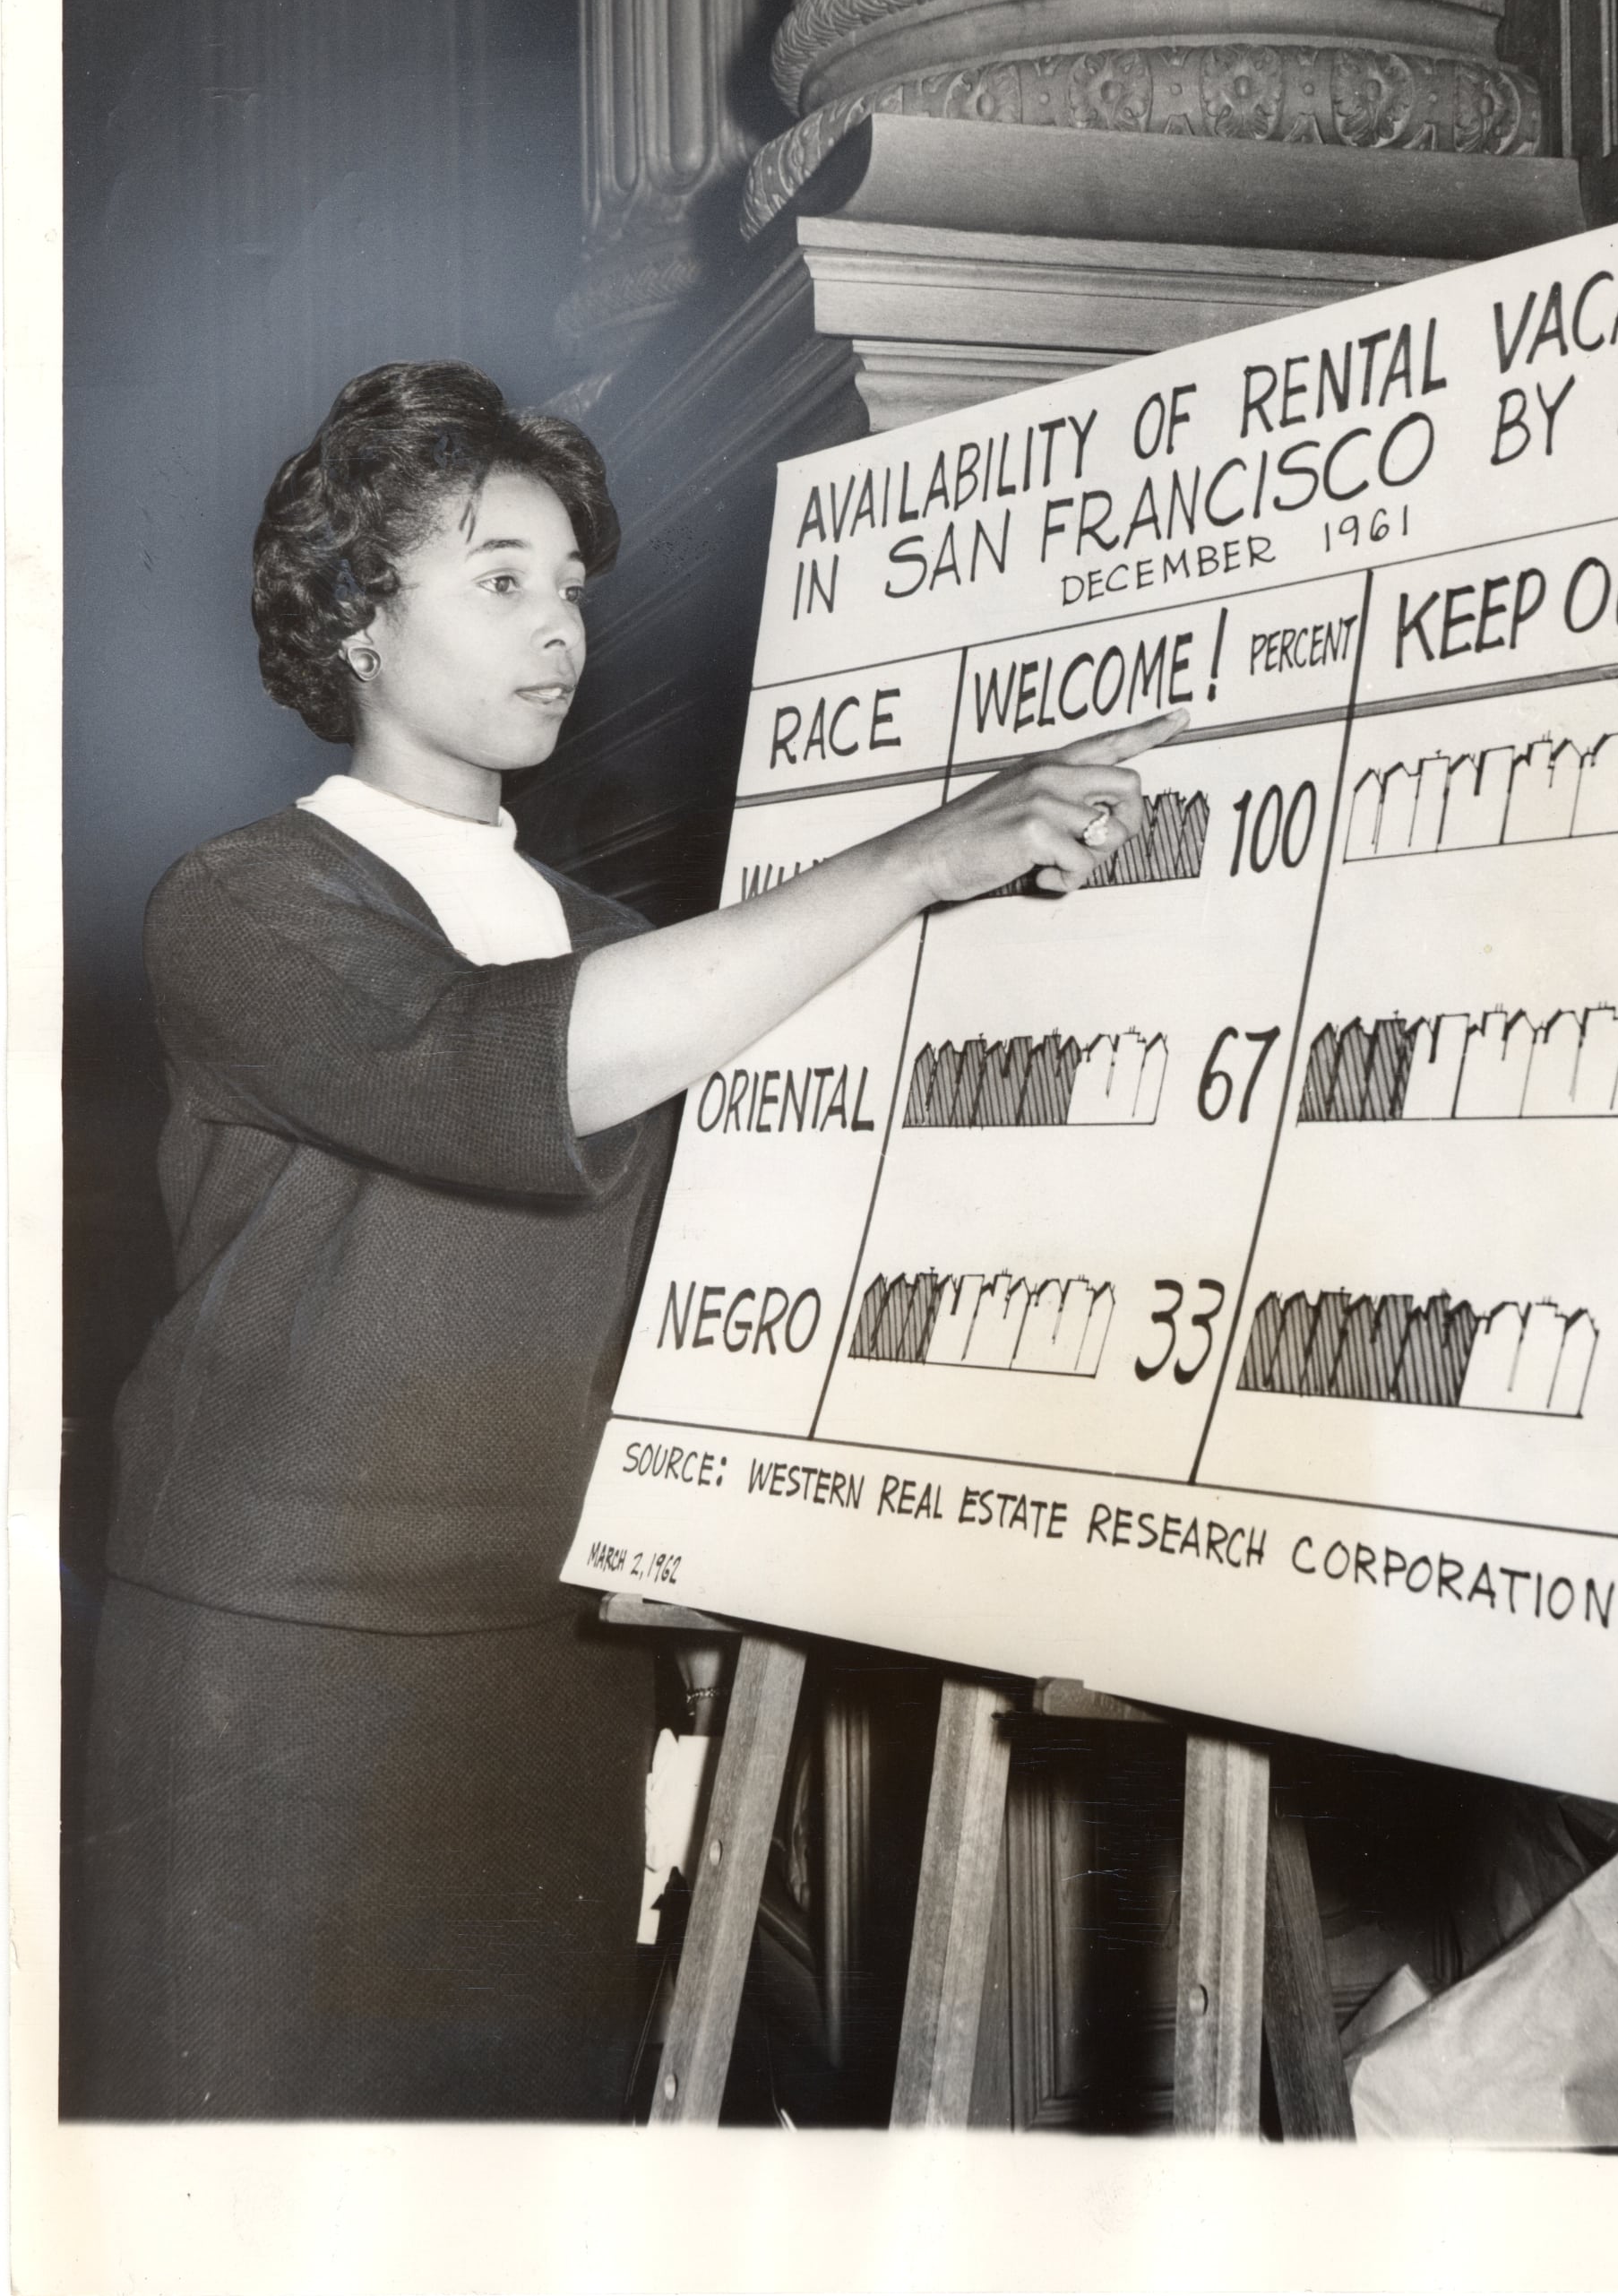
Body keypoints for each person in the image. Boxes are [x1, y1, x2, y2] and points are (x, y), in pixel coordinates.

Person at [77, 359, 1178, 2119]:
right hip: (285, 1668)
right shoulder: (244, 901)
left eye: (573, 583)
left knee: (517, 2174)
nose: (558, 626)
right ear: (360, 618)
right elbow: (500, 1067)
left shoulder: (616, 940)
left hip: (549, 1657)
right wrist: (910, 861)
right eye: (498, 578)